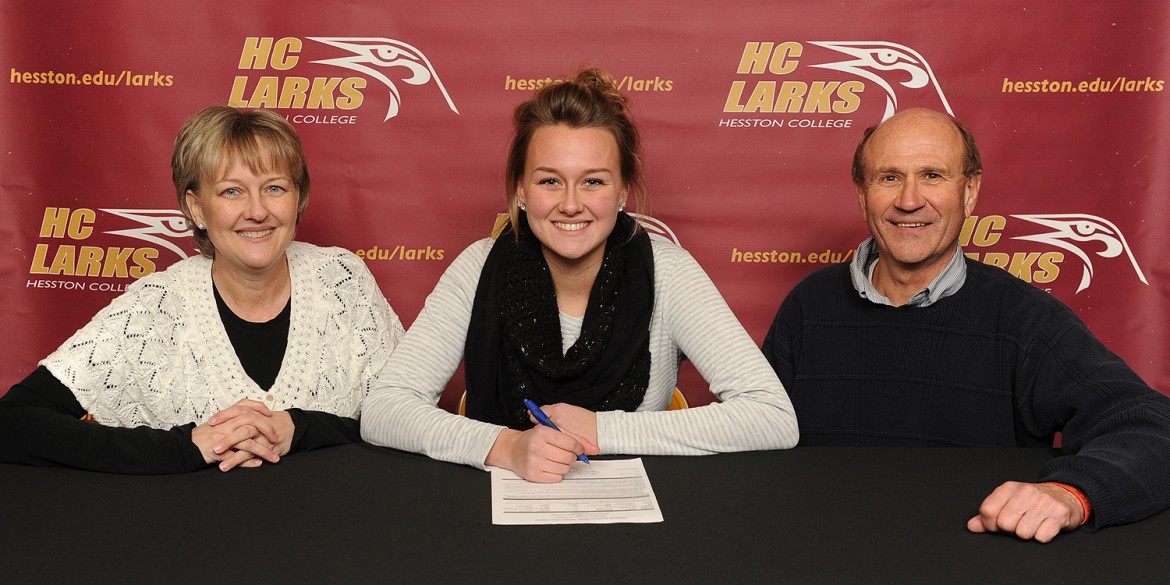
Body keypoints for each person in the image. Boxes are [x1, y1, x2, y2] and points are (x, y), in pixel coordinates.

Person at [361, 68, 798, 482]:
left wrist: (600, 430)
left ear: (624, 190)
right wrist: (506, 446)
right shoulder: (477, 267)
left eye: (593, 182)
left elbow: (772, 416)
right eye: (550, 181)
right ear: (520, 190)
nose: (571, 204)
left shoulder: (668, 272)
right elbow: (384, 409)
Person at [762, 107, 1170, 542]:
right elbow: (752, 443)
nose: (909, 200)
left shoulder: (1024, 319)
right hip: (824, 554)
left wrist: (1070, 494)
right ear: (862, 194)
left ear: (970, 191)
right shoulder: (808, 307)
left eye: (933, 176)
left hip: (970, 562)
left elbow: (1151, 428)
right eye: (888, 177)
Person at [0, 105, 403, 474]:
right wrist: (187, 446)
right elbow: (12, 422)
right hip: (191, 543)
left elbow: (407, 418)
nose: (257, 210)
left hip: (337, 533)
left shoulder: (342, 279)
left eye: (275, 188)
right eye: (232, 191)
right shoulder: (153, 309)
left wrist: (300, 427)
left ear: (298, 197)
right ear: (196, 208)